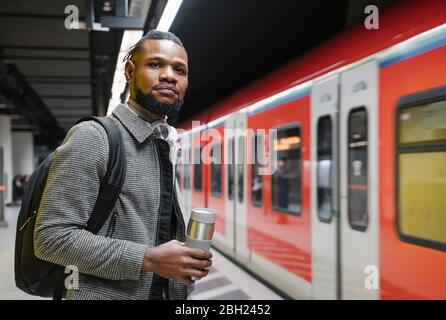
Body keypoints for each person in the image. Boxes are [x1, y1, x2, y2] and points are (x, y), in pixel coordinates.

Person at [34, 30, 212, 300]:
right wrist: (149, 259)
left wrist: (180, 263)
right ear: (129, 71)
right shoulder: (94, 137)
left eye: (180, 70)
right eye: (155, 64)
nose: (169, 75)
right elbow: (51, 238)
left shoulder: (161, 143)